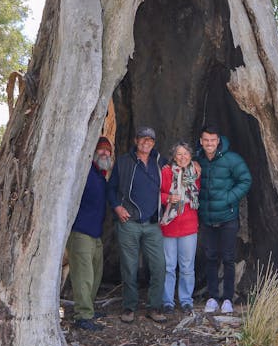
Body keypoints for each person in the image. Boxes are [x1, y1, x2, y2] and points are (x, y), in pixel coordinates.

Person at [107, 126, 168, 323]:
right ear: (136, 141)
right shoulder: (124, 162)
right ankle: (129, 307)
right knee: (129, 267)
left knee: (159, 265)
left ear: (154, 143)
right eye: (143, 139)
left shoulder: (161, 163)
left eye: (150, 140)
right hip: (129, 222)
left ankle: (154, 306)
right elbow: (111, 188)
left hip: (153, 224)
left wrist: (196, 166)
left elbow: (181, 169)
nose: (146, 142)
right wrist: (117, 207)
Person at [195, 125, 252, 314]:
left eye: (213, 140)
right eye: (206, 140)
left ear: (218, 140)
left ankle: (227, 298)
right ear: (201, 141)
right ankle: (212, 297)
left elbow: (245, 180)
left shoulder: (231, 159)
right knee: (210, 257)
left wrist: (229, 198)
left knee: (228, 258)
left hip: (228, 217)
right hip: (207, 218)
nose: (209, 143)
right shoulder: (198, 159)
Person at [66, 136, 113, 331]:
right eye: (101, 150)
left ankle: (89, 308)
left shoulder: (100, 175)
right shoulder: (83, 173)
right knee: (83, 275)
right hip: (80, 232)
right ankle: (82, 316)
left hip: (95, 233)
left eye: (107, 151)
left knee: (96, 272)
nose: (104, 153)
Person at [159, 141, 200, 314]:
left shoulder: (196, 172)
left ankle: (185, 300)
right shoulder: (166, 172)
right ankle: (167, 301)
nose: (182, 157)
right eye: (179, 154)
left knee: (187, 266)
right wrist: (167, 198)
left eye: (186, 154)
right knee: (168, 266)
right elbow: (157, 192)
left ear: (191, 156)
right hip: (169, 225)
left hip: (189, 226)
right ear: (173, 157)